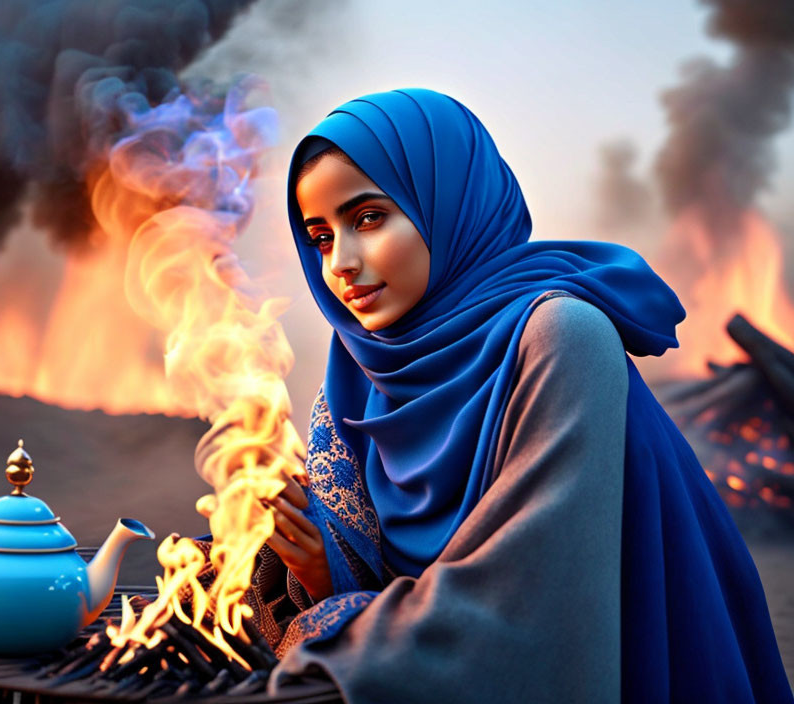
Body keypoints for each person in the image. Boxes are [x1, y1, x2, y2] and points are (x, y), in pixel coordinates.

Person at [202, 88, 792, 703]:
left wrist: (338, 602)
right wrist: (306, 558)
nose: (340, 264)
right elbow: (373, 571)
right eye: (321, 237)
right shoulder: (358, 371)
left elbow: (528, 606)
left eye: (369, 218)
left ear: (450, 204)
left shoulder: (561, 336)